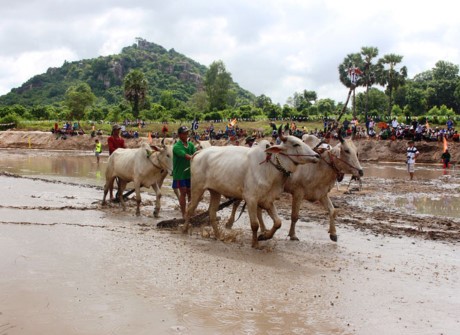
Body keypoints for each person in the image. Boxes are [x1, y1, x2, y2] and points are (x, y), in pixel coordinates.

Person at [173, 126, 196, 218]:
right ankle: (184, 214)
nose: (186, 135)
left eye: (187, 133)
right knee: (183, 192)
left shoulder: (191, 145)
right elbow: (186, 156)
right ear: (179, 135)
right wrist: (195, 157)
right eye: (184, 133)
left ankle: (190, 211)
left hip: (189, 173)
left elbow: (194, 154)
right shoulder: (176, 146)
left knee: (190, 193)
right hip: (180, 174)